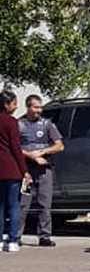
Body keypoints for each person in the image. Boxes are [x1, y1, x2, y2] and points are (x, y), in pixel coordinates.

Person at [18, 94, 63, 247]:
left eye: (40, 107)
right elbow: (14, 147)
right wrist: (30, 155)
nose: (39, 110)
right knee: (23, 204)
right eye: (36, 107)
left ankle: (44, 235)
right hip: (27, 172)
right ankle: (16, 235)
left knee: (44, 204)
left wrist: (43, 152)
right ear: (28, 107)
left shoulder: (46, 124)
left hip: (44, 171)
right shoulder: (20, 125)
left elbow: (59, 145)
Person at [0, 91, 29, 253]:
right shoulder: (11, 122)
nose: (16, 106)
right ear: (6, 104)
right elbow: (16, 148)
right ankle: (12, 240)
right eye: (14, 103)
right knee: (14, 205)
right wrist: (24, 170)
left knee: (0, 206)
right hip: (11, 169)